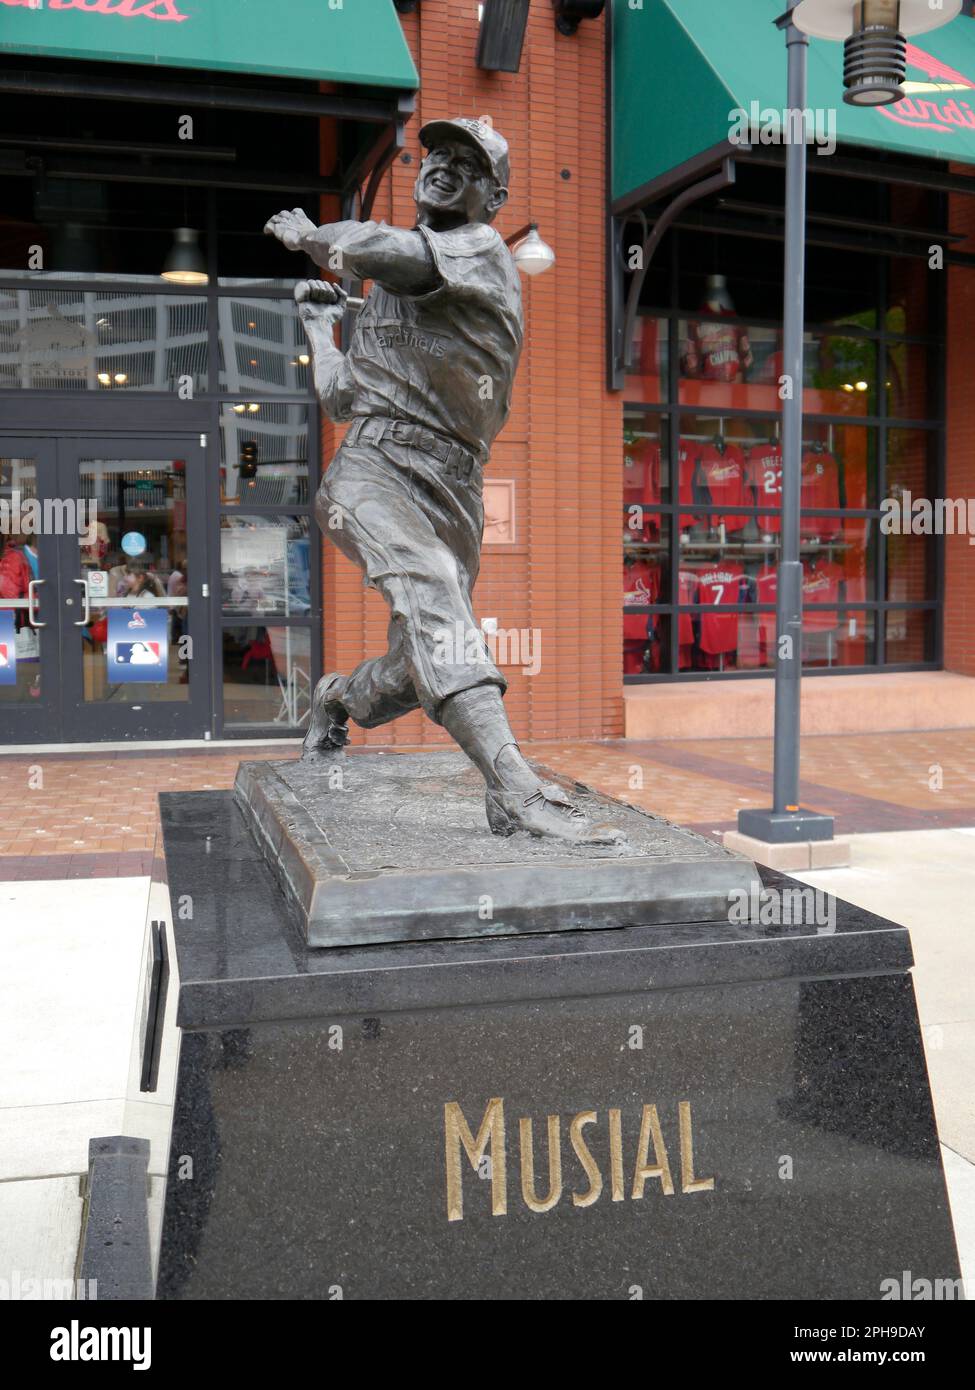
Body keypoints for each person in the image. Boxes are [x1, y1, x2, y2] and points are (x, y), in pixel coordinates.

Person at [265, 117, 620, 843]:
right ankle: (516, 787)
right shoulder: (393, 286)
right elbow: (342, 399)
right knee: (433, 594)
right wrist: (318, 332)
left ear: (494, 199)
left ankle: (336, 700)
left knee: (416, 656)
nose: (444, 169)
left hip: (452, 483)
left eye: (468, 165)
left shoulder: (481, 249)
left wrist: (313, 237)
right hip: (369, 468)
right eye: (436, 156)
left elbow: (371, 245)